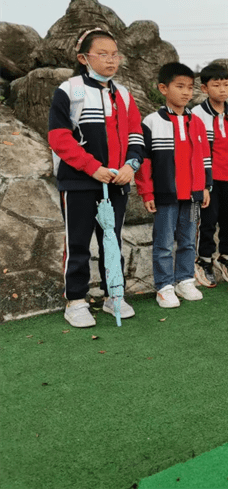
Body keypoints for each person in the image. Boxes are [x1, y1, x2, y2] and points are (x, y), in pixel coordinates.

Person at [49, 28, 144, 328]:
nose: (111, 60)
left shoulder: (125, 94)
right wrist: (91, 167)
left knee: (111, 241)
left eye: (115, 54)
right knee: (77, 242)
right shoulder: (70, 90)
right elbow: (59, 138)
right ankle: (75, 300)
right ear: (83, 57)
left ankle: (113, 294)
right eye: (102, 54)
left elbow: (136, 136)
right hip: (79, 182)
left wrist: (131, 166)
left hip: (116, 183)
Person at [136, 63, 211, 308]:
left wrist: (205, 186)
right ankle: (164, 286)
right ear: (163, 88)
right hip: (165, 196)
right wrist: (147, 191)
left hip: (192, 196)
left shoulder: (197, 122)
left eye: (190, 88)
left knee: (189, 239)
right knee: (164, 242)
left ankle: (185, 280)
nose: (186, 93)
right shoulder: (150, 122)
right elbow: (144, 162)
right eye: (180, 87)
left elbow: (205, 157)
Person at [191, 63, 228, 288]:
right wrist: (201, 181)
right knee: (208, 222)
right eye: (216, 85)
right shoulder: (196, 115)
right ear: (204, 88)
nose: (223, 90)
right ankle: (203, 261)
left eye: (226, 85)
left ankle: (227, 258)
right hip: (209, 180)